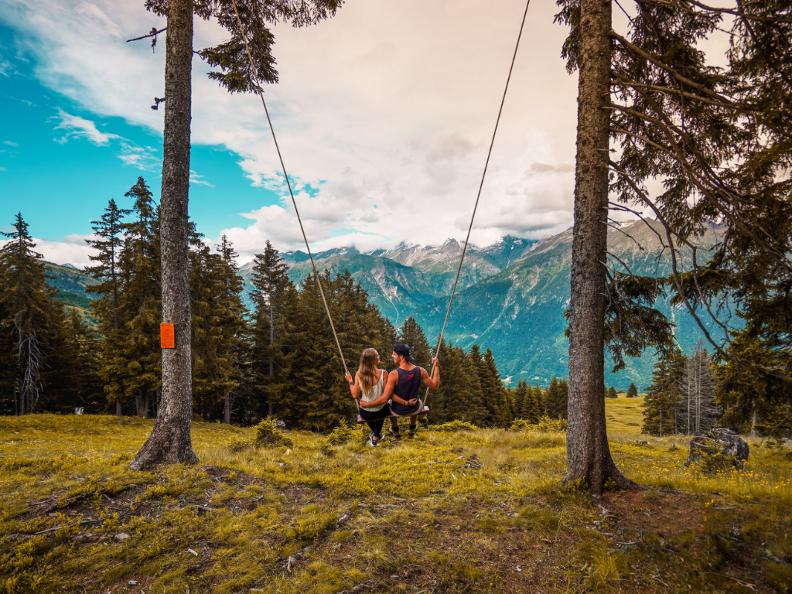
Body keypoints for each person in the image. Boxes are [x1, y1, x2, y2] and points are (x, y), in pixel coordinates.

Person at [387, 343, 440, 438]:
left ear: (401, 357)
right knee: (417, 399)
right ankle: (412, 427)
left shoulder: (393, 374)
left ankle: (395, 428)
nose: (392, 355)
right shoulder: (421, 370)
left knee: (389, 402)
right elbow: (434, 386)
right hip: (414, 408)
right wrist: (436, 366)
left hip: (397, 410)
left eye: (394, 354)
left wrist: (406, 403)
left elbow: (389, 395)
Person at [345, 348, 391, 446]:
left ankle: (375, 436)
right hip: (381, 410)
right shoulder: (384, 373)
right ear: (372, 360)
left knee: (370, 415)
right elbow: (386, 396)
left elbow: (354, 395)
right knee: (383, 409)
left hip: (365, 411)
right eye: (377, 356)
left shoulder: (359, 374)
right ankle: (376, 435)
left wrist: (350, 381)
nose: (379, 357)